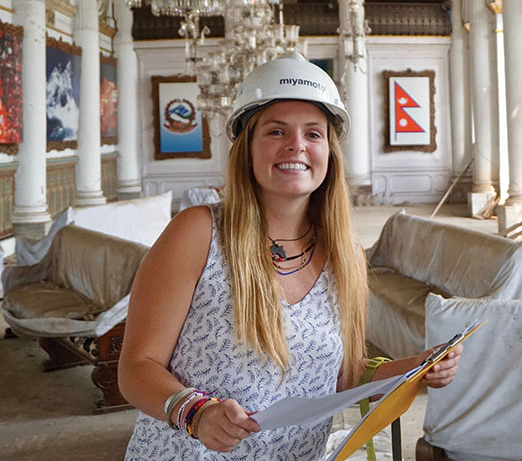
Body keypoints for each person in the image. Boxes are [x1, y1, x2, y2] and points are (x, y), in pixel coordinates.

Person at [120, 52, 461, 460]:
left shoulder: (345, 255)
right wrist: (195, 413)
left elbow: (340, 375)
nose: (296, 145)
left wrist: (416, 368)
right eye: (276, 132)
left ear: (330, 153)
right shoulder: (198, 233)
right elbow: (137, 367)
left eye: (313, 134)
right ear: (247, 149)